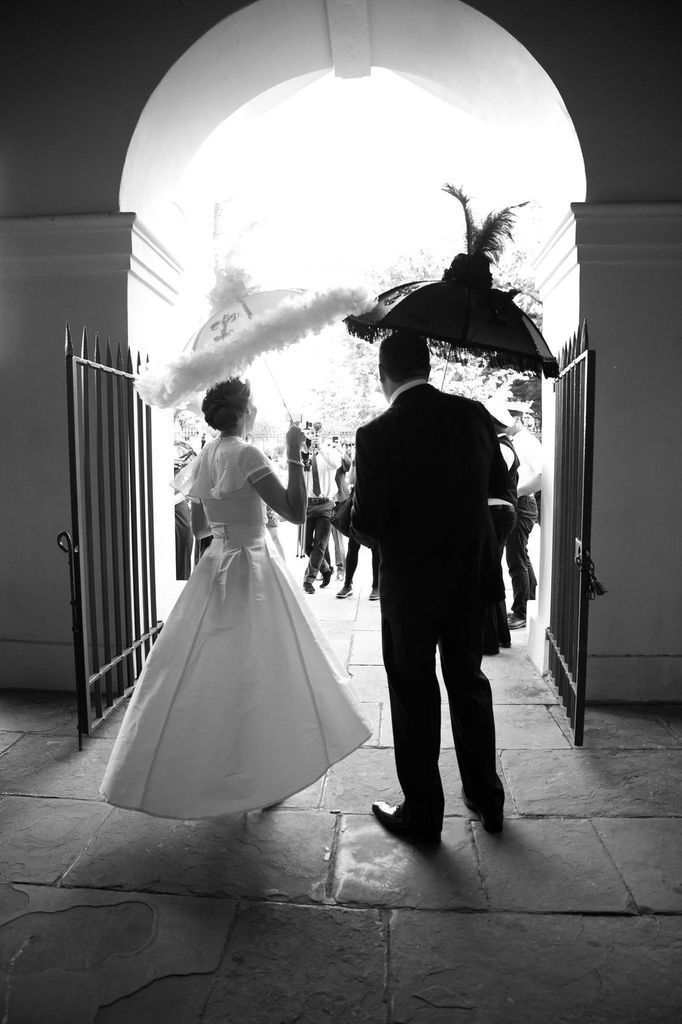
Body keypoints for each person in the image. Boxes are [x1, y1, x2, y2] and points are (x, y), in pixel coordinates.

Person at [101, 378, 371, 819]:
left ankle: (226, 769)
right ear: (245, 411)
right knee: (264, 670)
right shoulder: (247, 453)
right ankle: (263, 774)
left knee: (221, 670)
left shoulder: (207, 454)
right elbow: (296, 512)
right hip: (254, 568)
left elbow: (203, 525)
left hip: (218, 564)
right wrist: (293, 454)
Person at [352, 331, 507, 842]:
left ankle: (424, 815)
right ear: (428, 366)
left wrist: (348, 509)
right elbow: (500, 493)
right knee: (467, 683)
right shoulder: (475, 416)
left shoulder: (376, 434)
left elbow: (370, 520)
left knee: (414, 695)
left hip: (411, 588)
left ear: (383, 375)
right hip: (468, 578)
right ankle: (488, 798)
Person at [482, 400, 520, 655]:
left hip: (497, 513)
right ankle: (496, 635)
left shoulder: (502, 448)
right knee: (489, 571)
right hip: (494, 513)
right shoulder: (496, 446)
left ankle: (492, 636)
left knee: (487, 572)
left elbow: (486, 477)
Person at [503, 402, 542, 629]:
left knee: (515, 559)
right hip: (518, 502)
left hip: (522, 503)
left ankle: (520, 611)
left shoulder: (527, 442)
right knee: (521, 558)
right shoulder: (516, 441)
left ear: (516, 420)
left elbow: (541, 474)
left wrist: (513, 494)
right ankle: (529, 605)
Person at [302, 434, 346, 595]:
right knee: (306, 544)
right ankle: (326, 569)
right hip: (307, 504)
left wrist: (320, 448)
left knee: (320, 544)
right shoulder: (302, 454)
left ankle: (309, 579)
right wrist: (301, 450)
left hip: (326, 504)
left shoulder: (328, 452)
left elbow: (336, 463)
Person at [337, 458, 380, 601]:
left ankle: (376, 586)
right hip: (358, 503)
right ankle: (347, 584)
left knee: (376, 546)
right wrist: (355, 464)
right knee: (353, 545)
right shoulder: (360, 458)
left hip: (375, 503)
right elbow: (352, 480)